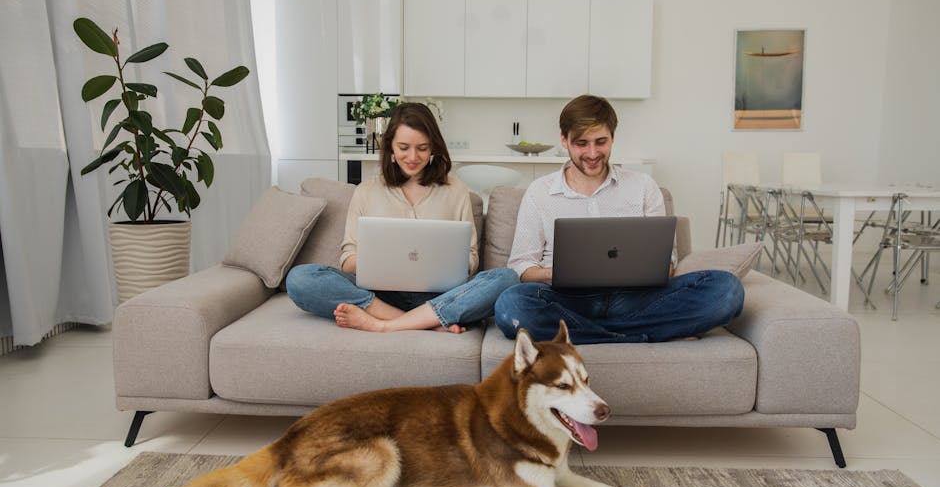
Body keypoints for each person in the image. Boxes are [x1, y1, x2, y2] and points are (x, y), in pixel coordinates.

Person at [494, 95, 744, 344]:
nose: (592, 153)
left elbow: (667, 264)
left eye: (601, 142)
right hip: (567, 301)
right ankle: (637, 333)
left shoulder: (643, 186)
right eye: (582, 143)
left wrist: (646, 270)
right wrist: (555, 273)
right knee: (511, 305)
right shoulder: (540, 192)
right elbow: (521, 266)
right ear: (564, 140)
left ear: (613, 137)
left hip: (636, 299)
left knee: (727, 289)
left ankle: (589, 334)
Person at [286, 102, 518, 333]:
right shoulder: (366, 191)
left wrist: (446, 263)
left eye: (423, 148)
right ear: (390, 148)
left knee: (506, 278)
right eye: (404, 147)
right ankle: (424, 322)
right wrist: (383, 259)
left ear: (434, 148)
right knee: (300, 278)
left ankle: (384, 325)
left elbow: (470, 259)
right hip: (380, 296)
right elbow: (347, 260)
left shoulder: (455, 190)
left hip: (441, 295)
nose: (413, 156)